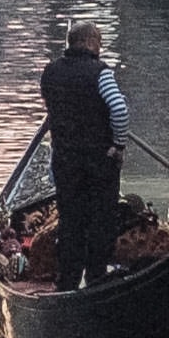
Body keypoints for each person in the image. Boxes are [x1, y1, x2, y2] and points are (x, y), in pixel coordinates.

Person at [38, 17, 131, 291]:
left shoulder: (50, 72)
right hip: (98, 161)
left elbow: (53, 105)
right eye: (99, 42)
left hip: (65, 160)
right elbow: (119, 110)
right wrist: (119, 144)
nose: (100, 48)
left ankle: (67, 281)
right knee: (102, 217)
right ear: (90, 42)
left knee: (71, 219)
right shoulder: (100, 72)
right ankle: (96, 277)